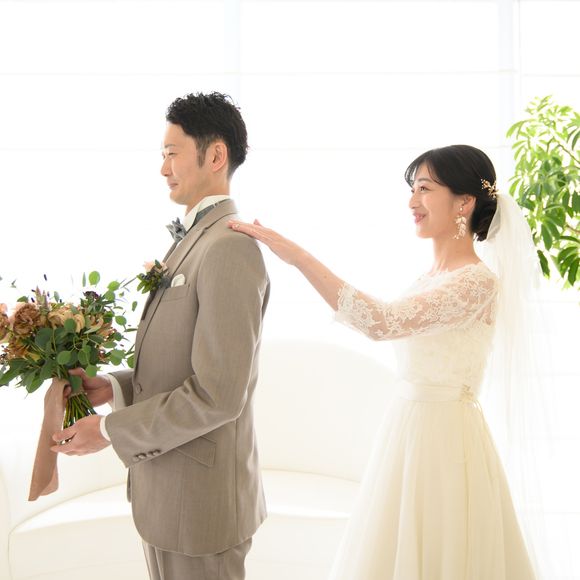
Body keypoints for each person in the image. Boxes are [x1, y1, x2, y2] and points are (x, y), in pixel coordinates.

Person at [228, 144, 539, 580]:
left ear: (464, 202)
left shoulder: (476, 284)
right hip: (407, 429)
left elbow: (381, 322)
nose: (412, 202)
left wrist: (297, 257)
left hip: (446, 442)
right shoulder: (429, 279)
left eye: (425, 189)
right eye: (412, 190)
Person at [51, 92, 270, 580]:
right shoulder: (195, 239)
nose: (163, 168)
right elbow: (181, 363)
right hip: (168, 495)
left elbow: (217, 394)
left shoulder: (230, 247)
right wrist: (113, 386)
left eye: (172, 153)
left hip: (201, 507)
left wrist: (108, 430)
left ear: (216, 156)